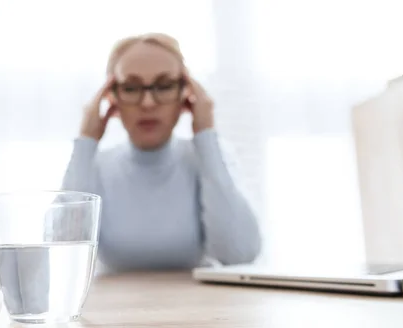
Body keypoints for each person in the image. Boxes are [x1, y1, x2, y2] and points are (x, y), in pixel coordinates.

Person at [61, 33, 262, 272]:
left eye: (165, 86)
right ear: (112, 96)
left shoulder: (207, 160)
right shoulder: (94, 167)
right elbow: (64, 255)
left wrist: (205, 135)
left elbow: (240, 254)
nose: (147, 103)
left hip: (202, 307)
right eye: (132, 87)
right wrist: (86, 141)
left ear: (185, 94)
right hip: (114, 308)